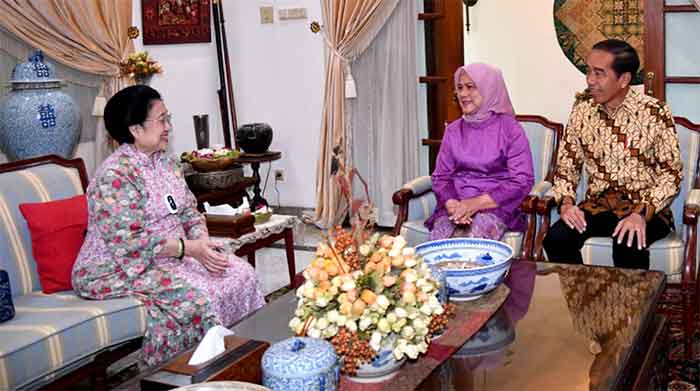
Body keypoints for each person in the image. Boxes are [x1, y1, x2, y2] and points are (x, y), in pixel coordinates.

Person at [72, 85, 265, 366]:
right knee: (198, 300)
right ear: (135, 129)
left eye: (168, 118)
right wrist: (190, 249)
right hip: (115, 267)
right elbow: (132, 244)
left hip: (170, 255)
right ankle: (188, 375)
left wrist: (204, 245)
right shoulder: (116, 175)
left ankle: (244, 361)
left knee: (240, 274)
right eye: (162, 120)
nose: (168, 127)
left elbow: (189, 212)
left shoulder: (167, 163)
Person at [543, 39, 683, 269]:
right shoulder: (582, 112)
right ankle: (585, 301)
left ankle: (634, 305)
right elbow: (567, 167)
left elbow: (671, 175)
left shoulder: (655, 112)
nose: (590, 80)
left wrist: (641, 214)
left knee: (628, 241)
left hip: (646, 209)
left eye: (599, 74)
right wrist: (567, 204)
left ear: (624, 79)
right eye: (589, 71)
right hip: (599, 206)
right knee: (556, 239)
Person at [426, 63, 534, 241]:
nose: (463, 94)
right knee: (438, 247)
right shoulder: (453, 130)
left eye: (470, 87)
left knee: (472, 245)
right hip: (456, 204)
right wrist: (451, 203)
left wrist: (475, 204)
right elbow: (440, 177)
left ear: (489, 89)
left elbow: (522, 180)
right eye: (459, 88)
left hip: (494, 206)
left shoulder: (510, 129)